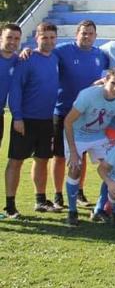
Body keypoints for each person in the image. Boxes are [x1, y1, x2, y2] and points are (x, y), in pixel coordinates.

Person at [50, 20, 110, 210]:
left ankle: (79, 191)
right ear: (77, 34)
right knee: (60, 156)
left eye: (90, 33)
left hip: (87, 115)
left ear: (95, 35)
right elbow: (42, 53)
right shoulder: (62, 50)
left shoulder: (101, 55)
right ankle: (58, 195)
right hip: (63, 110)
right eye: (83, 33)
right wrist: (28, 52)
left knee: (81, 155)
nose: (87, 36)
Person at [63, 68, 115, 225]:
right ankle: (72, 211)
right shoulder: (88, 95)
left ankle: (99, 209)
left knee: (112, 167)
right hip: (77, 134)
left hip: (98, 135)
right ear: (106, 80)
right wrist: (73, 152)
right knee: (75, 168)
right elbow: (68, 121)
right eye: (113, 83)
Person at [5, 23, 59, 218]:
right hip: (25, 119)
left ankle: (40, 200)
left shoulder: (55, 58)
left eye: (52, 37)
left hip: (46, 120)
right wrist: (17, 117)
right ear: (37, 38)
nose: (49, 41)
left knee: (42, 160)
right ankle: (10, 205)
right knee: (16, 161)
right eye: (45, 37)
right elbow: (16, 89)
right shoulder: (26, 60)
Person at [0, 24, 21, 150]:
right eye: (9, 37)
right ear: (1, 38)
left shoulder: (19, 61)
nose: (13, 41)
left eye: (16, 38)